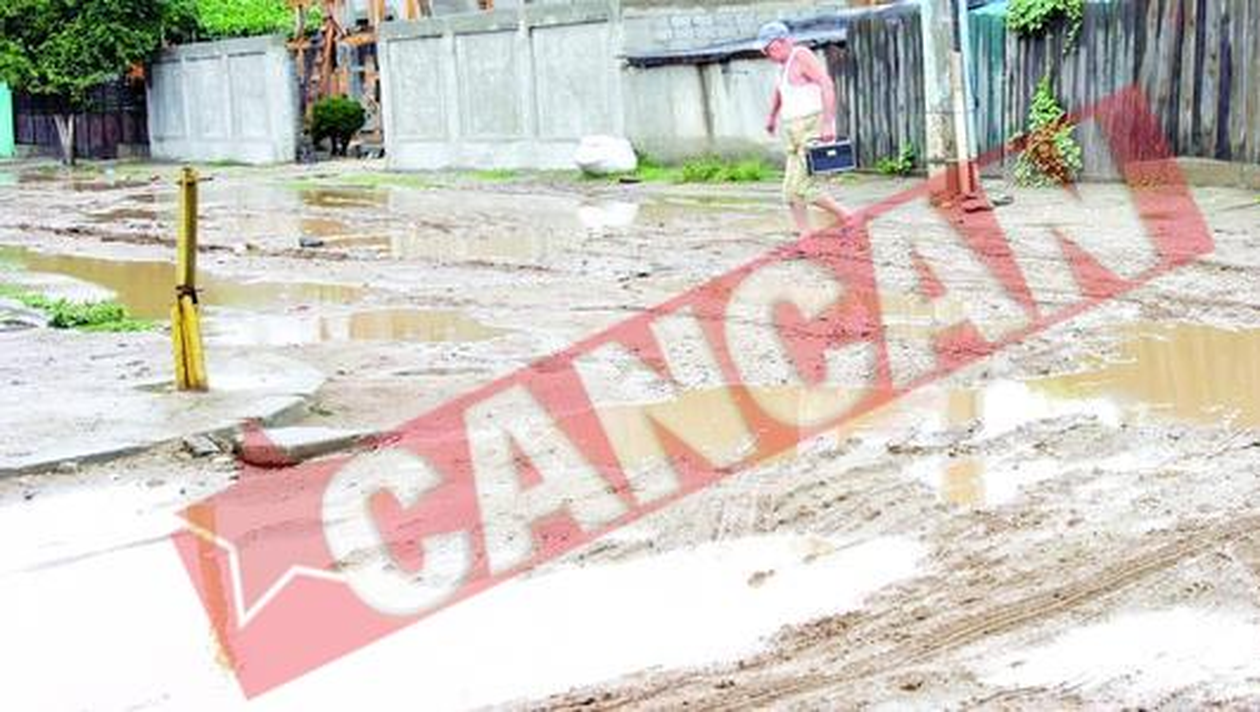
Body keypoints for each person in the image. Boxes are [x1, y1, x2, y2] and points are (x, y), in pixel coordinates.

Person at [759, 21, 850, 238]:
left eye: (770, 49)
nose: (767, 54)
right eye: (765, 50)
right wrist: (772, 117)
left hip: (811, 127)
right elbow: (780, 92)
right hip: (794, 131)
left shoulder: (801, 55)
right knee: (790, 191)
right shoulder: (782, 66)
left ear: (782, 42)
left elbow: (826, 84)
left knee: (805, 187)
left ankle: (848, 216)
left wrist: (828, 124)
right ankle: (805, 235)